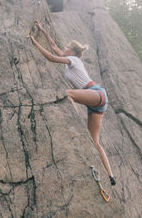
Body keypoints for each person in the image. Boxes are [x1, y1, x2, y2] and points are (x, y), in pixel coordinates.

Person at [28, 20, 116, 186]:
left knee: (67, 95)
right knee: (94, 141)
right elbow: (55, 47)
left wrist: (35, 43)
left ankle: (74, 123)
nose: (65, 48)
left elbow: (53, 57)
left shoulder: (74, 60)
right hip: (96, 103)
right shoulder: (70, 59)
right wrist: (42, 30)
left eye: (68, 46)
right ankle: (111, 176)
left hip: (96, 93)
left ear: (73, 51)